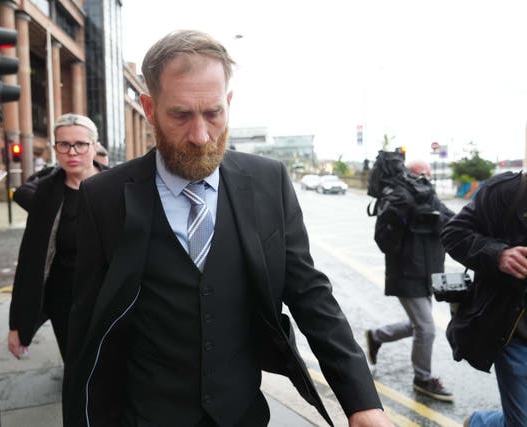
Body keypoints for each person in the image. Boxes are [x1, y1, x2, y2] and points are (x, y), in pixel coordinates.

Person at [63, 30, 392, 426]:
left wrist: (362, 403)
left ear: (229, 103)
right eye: (181, 115)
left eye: (214, 113)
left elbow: (311, 294)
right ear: (150, 109)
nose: (201, 136)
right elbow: (85, 330)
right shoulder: (104, 197)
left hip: (243, 415)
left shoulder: (269, 181)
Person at [8, 113, 103, 361]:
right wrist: (17, 323)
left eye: (81, 144)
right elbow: (30, 259)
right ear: (55, 149)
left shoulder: (116, 187)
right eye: (64, 144)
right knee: (76, 369)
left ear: (94, 146)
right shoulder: (46, 193)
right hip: (65, 302)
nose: (72, 152)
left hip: (107, 299)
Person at [441, 171, 527, 427]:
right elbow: (453, 233)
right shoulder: (507, 191)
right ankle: (479, 422)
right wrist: (498, 255)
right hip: (516, 334)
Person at [365, 160, 455, 402]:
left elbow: (452, 221)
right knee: (426, 327)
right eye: (421, 173)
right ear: (410, 174)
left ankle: (377, 336)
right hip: (406, 272)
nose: (425, 178)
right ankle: (422, 379)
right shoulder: (399, 197)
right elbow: (384, 238)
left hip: (429, 272)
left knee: (418, 324)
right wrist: (406, 215)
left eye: (427, 173)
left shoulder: (429, 196)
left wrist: (436, 220)